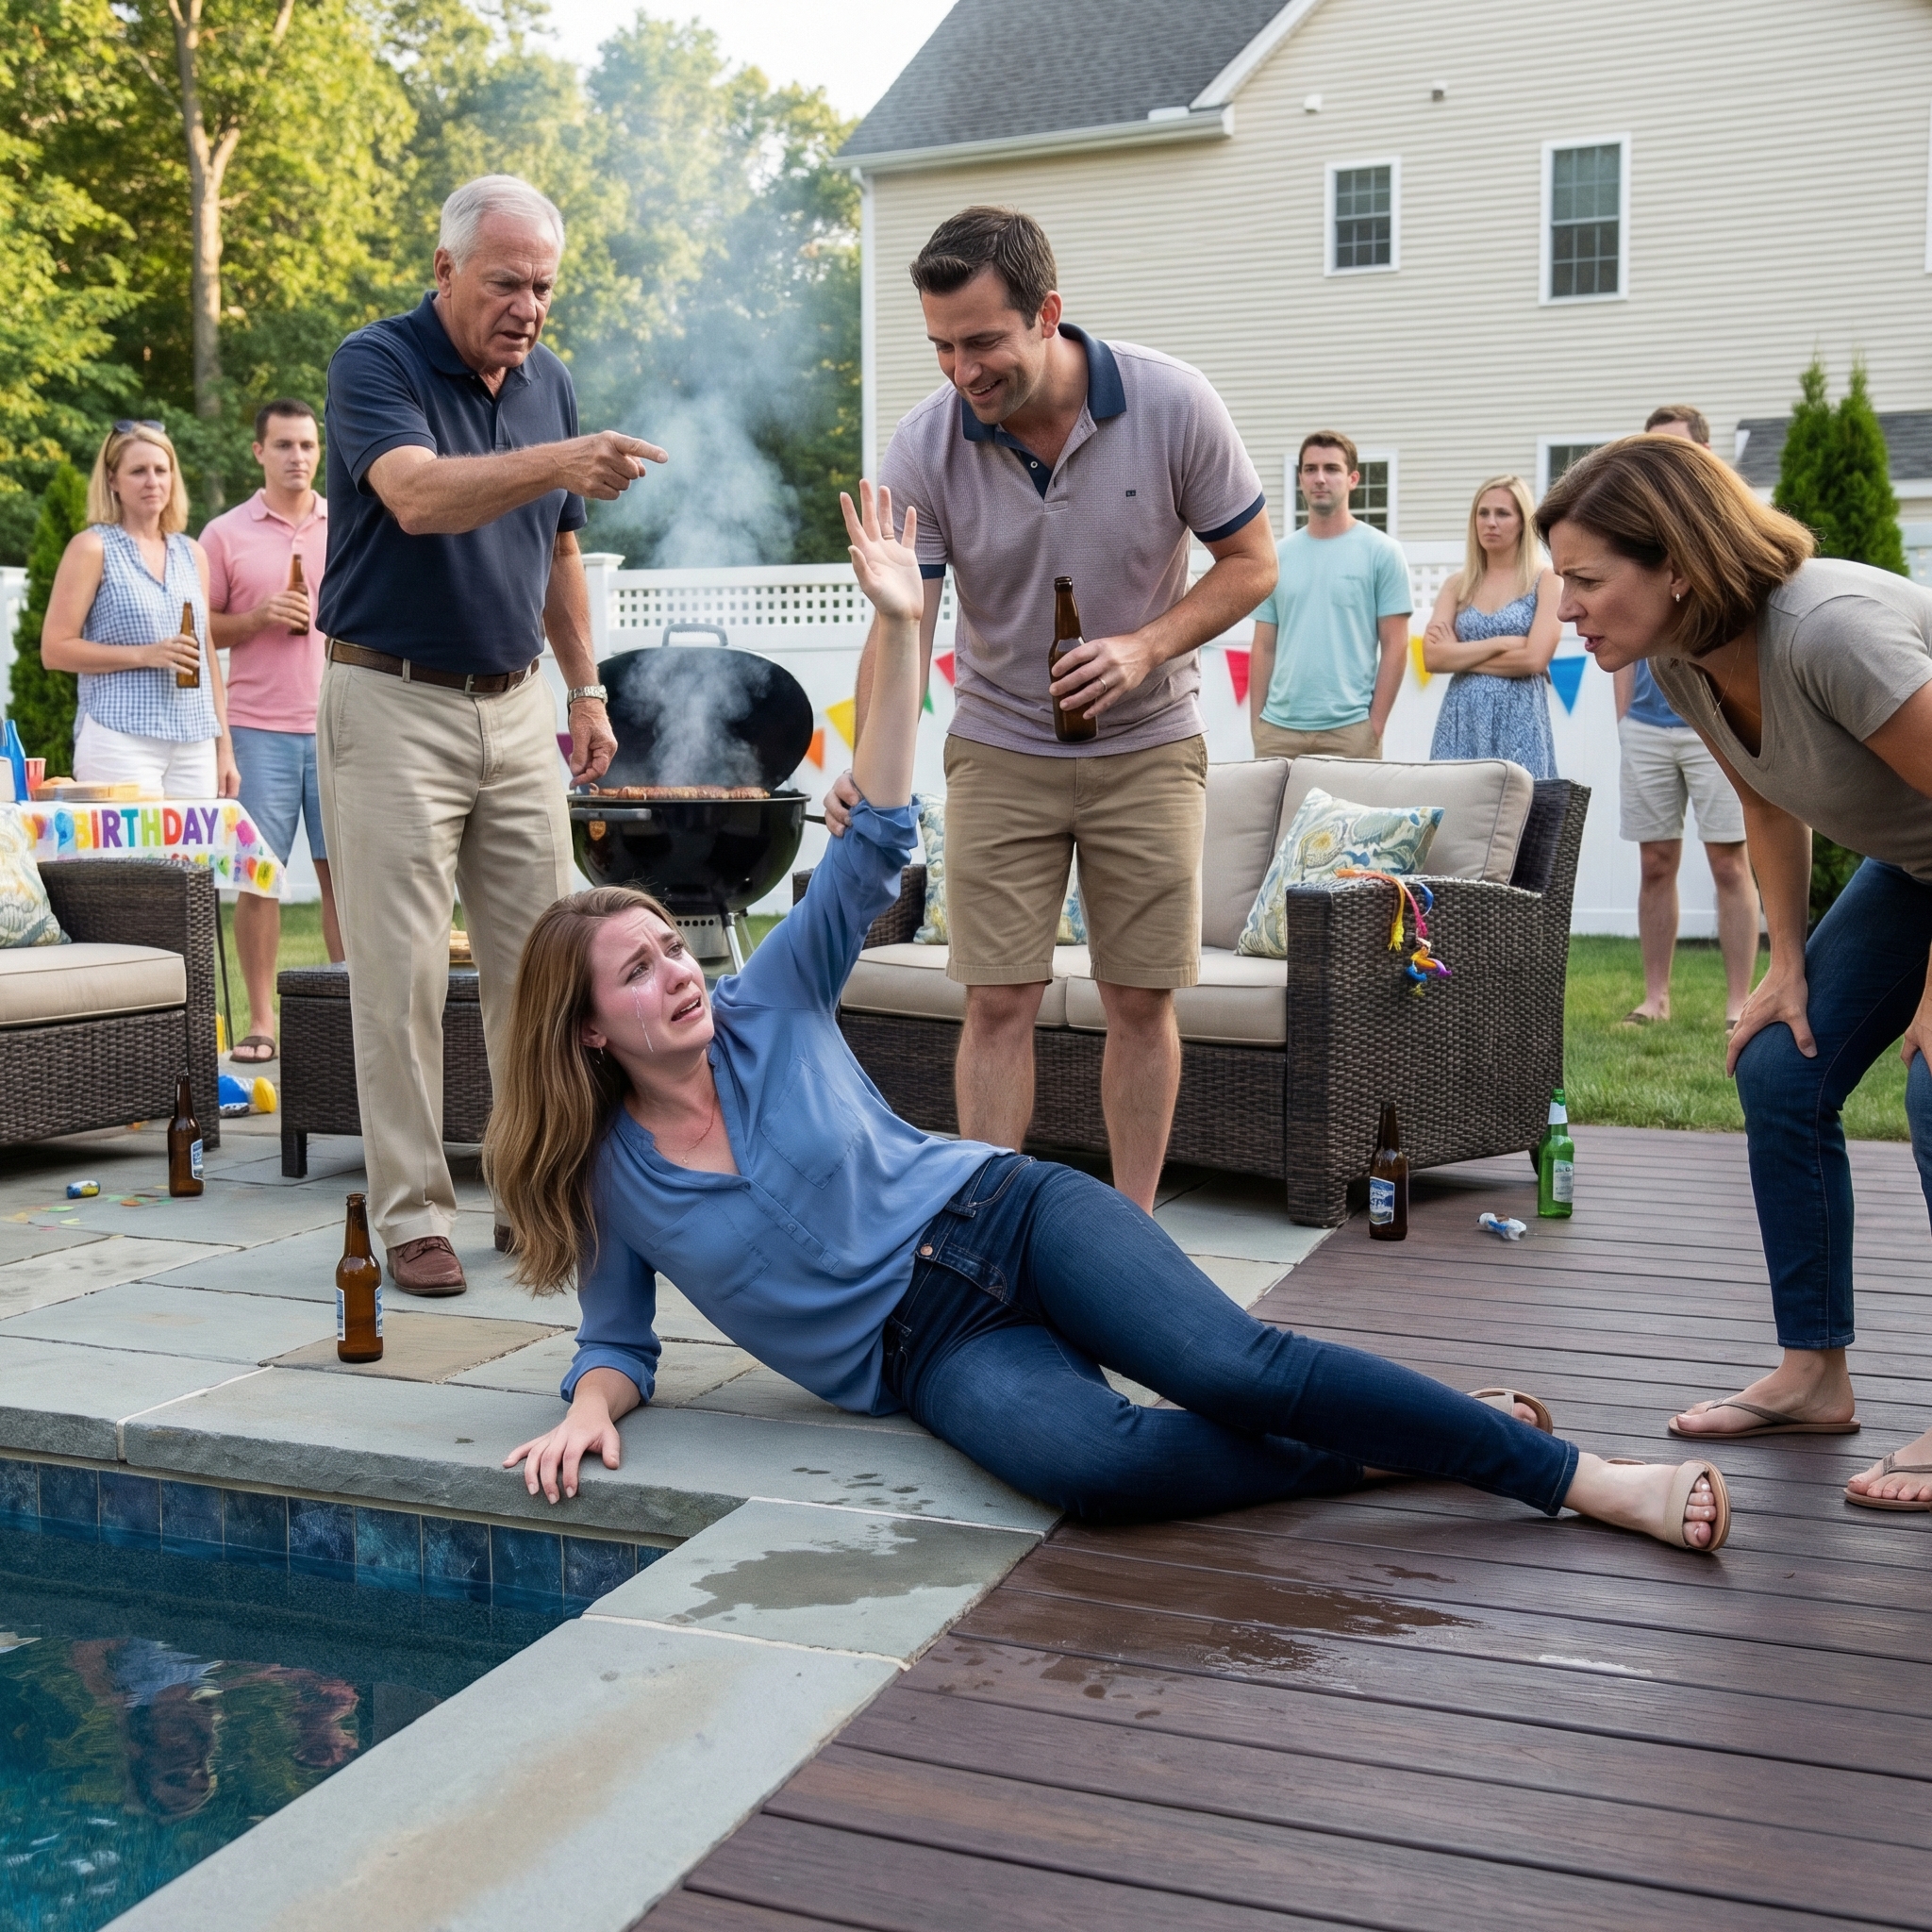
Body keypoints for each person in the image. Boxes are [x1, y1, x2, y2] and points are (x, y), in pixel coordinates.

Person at [493, 479, 1728, 1557]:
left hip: (1007, 1216)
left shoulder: (767, 1002)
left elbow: (873, 836)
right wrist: (592, 1408)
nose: (680, 974)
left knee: (1233, 1373)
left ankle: (1582, 1480)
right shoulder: (615, 1178)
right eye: (642, 972)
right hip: (930, 1355)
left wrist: (897, 621)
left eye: (673, 948)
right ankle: (1406, 1446)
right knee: (1104, 1470)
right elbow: (619, 1340)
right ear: (590, 1031)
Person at [842, 206, 1276, 1213]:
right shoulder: (925, 444)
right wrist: (869, 764)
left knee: (1137, 998)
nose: (961, 370)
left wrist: (1143, 645)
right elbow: (903, 619)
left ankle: (1127, 1232)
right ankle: (989, 1226)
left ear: (1046, 313)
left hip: (1149, 743)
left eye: (982, 341)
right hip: (997, 746)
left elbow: (1252, 564)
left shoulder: (1172, 403)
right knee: (995, 999)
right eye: (941, 346)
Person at [1538, 433, 1932, 1512]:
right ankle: (1814, 1371)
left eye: (1584, 579)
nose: (1566, 607)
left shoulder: (1828, 632)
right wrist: (1786, 968)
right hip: (1915, 866)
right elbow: (1767, 799)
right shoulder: (1679, 656)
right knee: (1778, 1066)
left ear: (1672, 562)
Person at [317, 173, 665, 1296]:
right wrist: (561, 461)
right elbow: (416, 496)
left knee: (548, 973)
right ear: (445, 271)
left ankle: (537, 1196)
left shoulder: (548, 381)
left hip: (517, 705)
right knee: (403, 973)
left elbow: (560, 553)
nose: (527, 304)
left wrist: (586, 692)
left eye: (544, 287)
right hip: (390, 700)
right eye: (507, 281)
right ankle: (415, 1210)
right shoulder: (375, 362)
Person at [1609, 406, 1760, 1030]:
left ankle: (1739, 1002)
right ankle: (1656, 999)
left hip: (1715, 724)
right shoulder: (1632, 536)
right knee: (1655, 864)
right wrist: (1624, 716)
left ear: (1705, 454)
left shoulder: (1723, 535)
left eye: (1675, 450)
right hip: (1647, 726)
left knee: (1730, 862)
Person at [201, 399, 341, 1064]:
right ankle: (262, 1023)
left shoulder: (344, 524)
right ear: (259, 451)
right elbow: (198, 633)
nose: (298, 458)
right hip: (257, 730)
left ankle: (348, 1013)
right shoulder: (224, 535)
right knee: (259, 879)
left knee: (345, 874)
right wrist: (255, 618)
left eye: (308, 445)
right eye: (284, 445)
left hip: (341, 725)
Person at [41, 423, 240, 799]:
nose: (153, 481)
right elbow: (54, 650)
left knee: (193, 858)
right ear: (112, 480)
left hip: (194, 740)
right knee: (129, 859)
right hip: (120, 737)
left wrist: (224, 746)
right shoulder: (92, 548)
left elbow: (207, 654)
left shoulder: (191, 552)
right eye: (138, 471)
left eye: (161, 470)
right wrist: (145, 655)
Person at [1248, 432, 1411, 759]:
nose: (1320, 478)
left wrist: (1374, 726)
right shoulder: (1275, 557)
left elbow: (1396, 645)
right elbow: (1264, 646)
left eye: (1332, 469)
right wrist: (1257, 726)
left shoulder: (1383, 553)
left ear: (1353, 479)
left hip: (1350, 730)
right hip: (1278, 732)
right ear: (1300, 479)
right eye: (1310, 469)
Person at [1422, 475, 1559, 776]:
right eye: (1482, 513)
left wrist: (1458, 653)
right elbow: (1432, 658)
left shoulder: (1546, 580)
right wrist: (1502, 643)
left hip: (1520, 718)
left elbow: (1534, 659)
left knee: (1519, 815)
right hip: (1462, 719)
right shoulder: (1457, 584)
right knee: (1457, 812)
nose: (1490, 522)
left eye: (1502, 513)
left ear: (1523, 521)